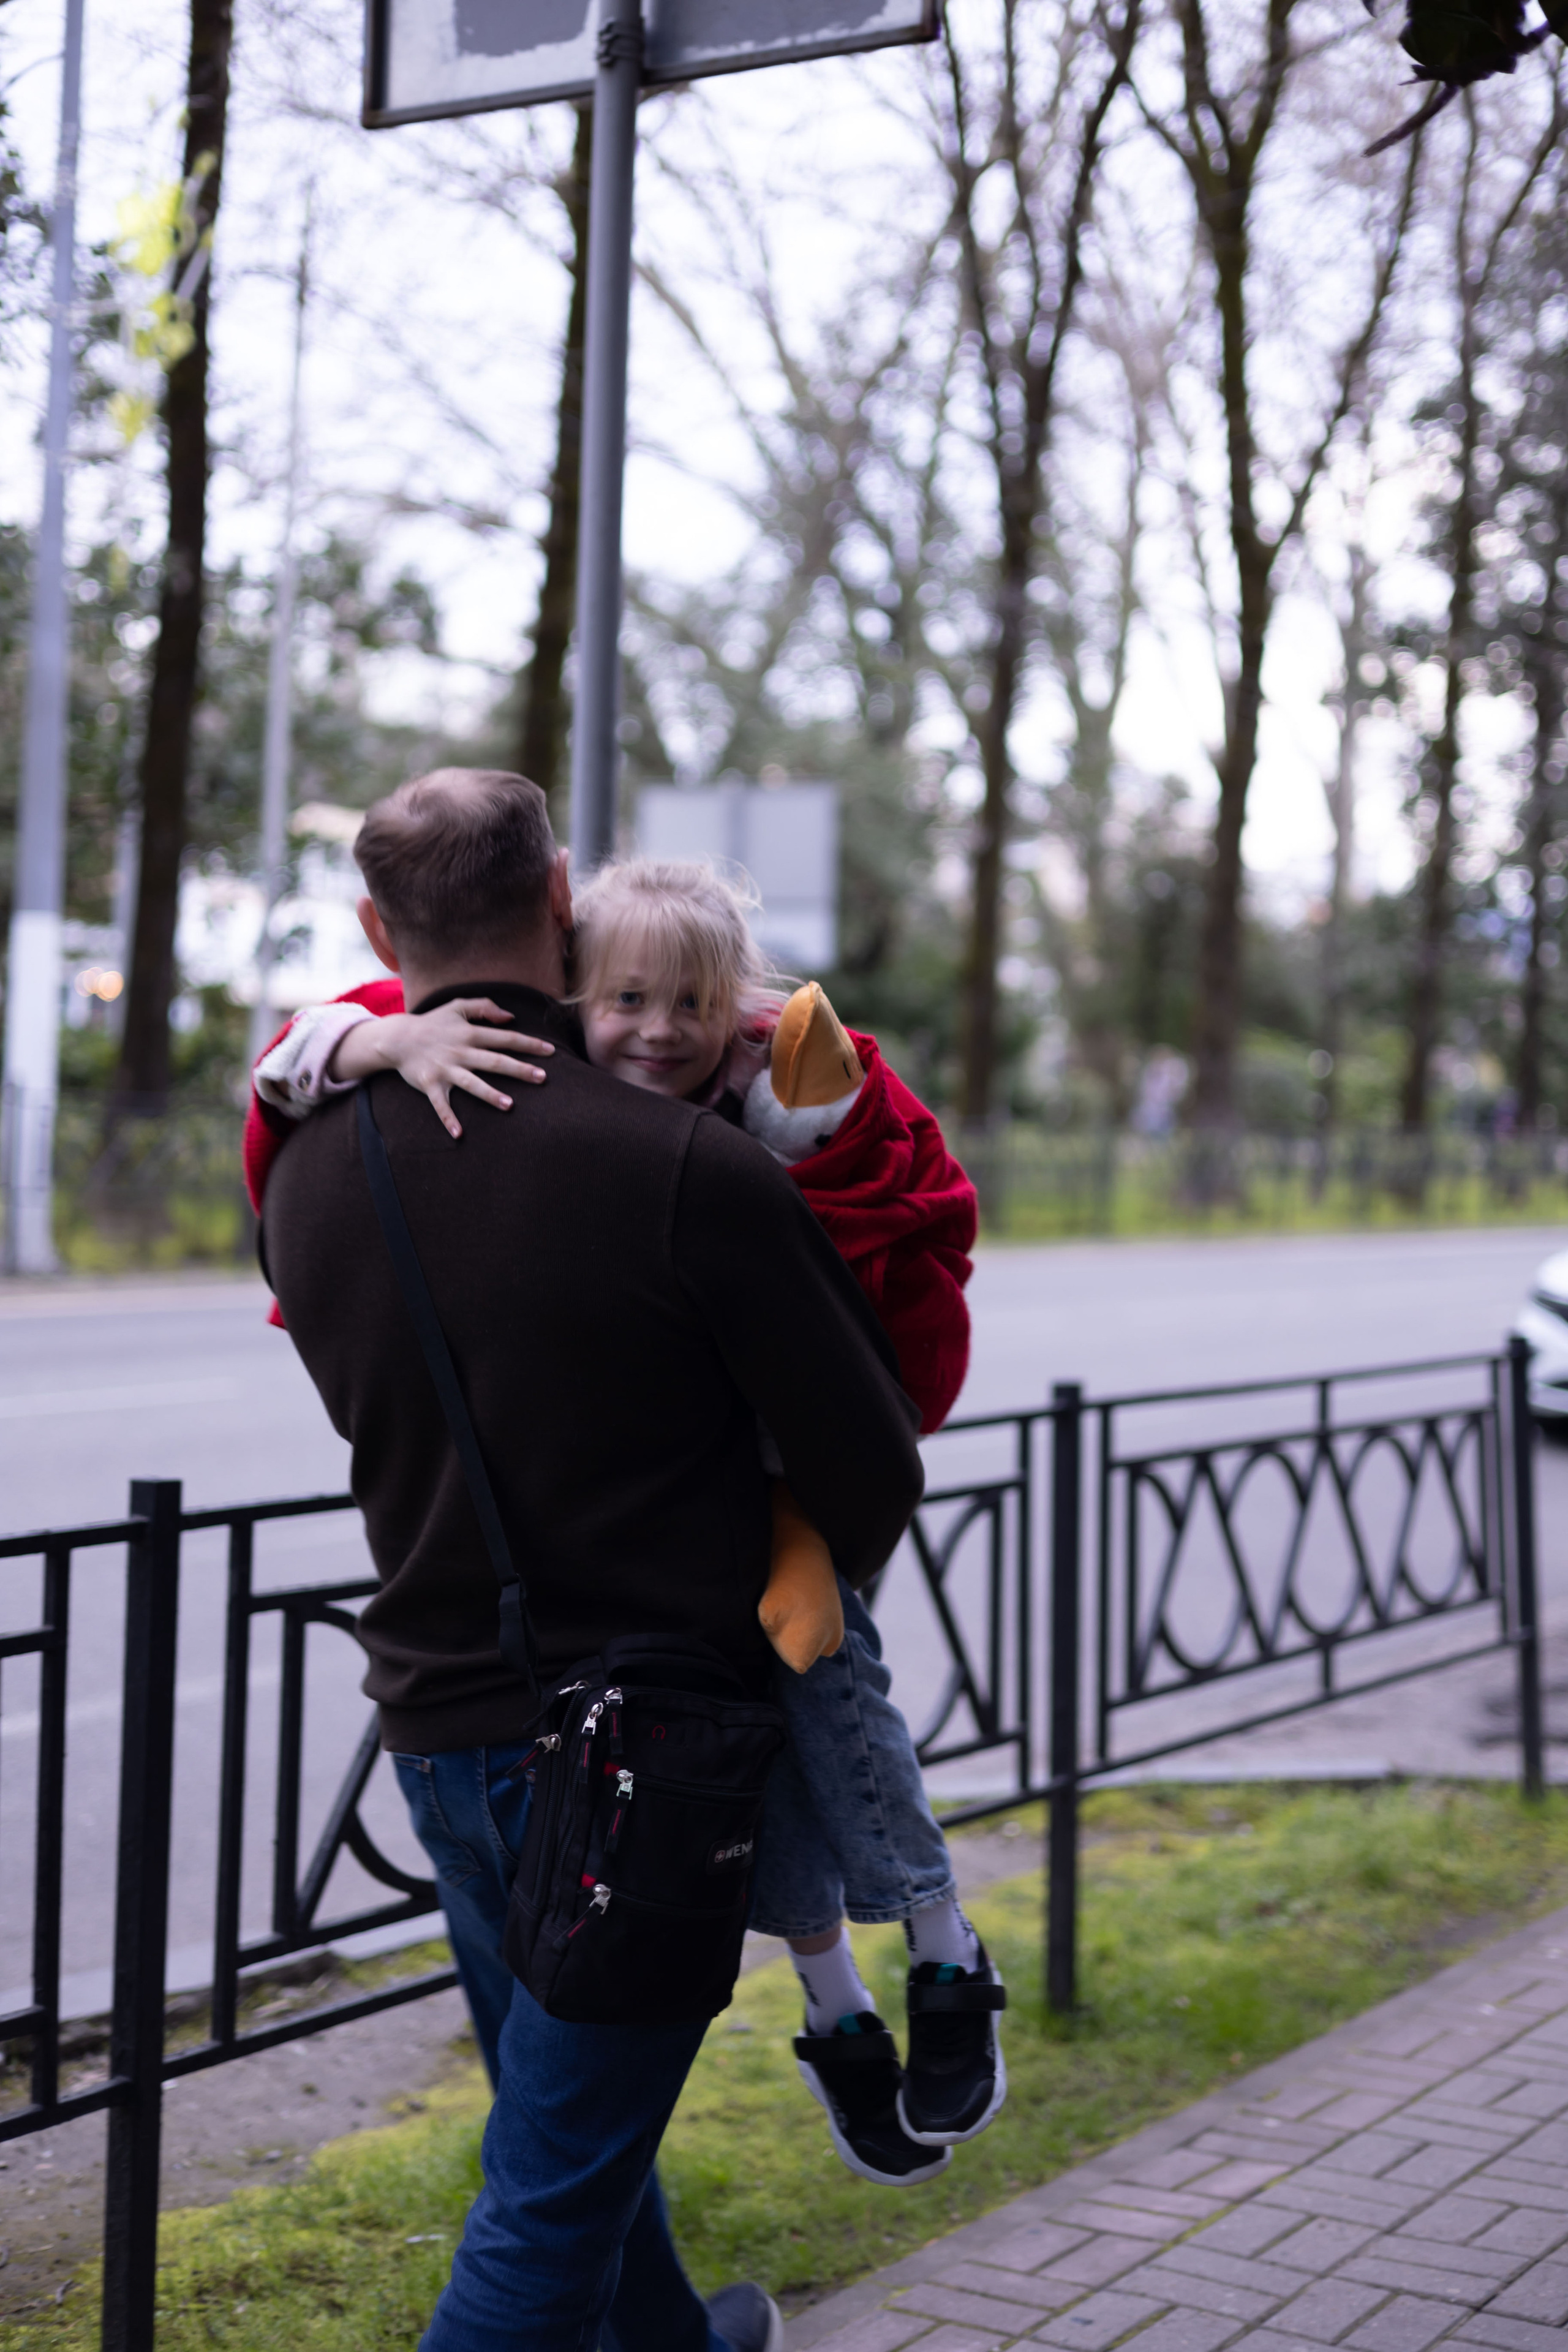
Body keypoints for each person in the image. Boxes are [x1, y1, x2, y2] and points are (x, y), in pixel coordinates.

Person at [258, 769, 925, 2352]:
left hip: (434, 1728)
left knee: (570, 2134)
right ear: (563, 905)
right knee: (549, 2191)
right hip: (643, 1761)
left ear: (374, 931)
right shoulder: (679, 1164)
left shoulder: (300, 1174)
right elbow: (869, 1459)